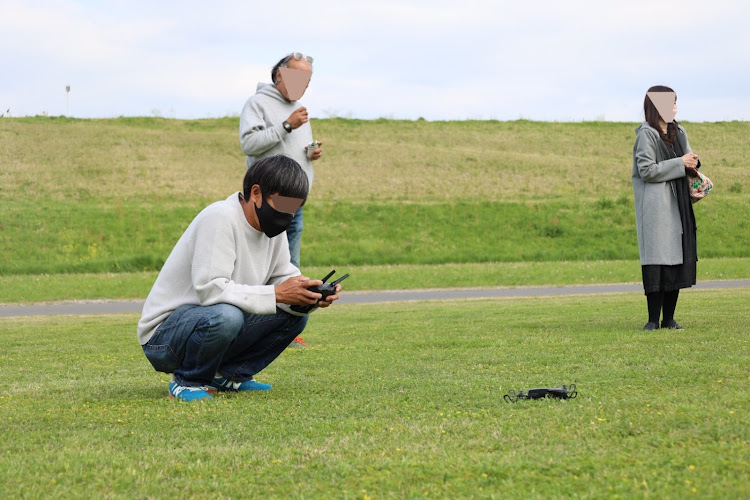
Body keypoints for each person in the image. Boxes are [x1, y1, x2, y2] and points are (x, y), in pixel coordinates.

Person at [137, 155, 341, 401]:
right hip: (163, 339)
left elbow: (284, 277)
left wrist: (309, 295)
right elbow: (210, 290)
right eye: (283, 206)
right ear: (256, 193)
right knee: (227, 315)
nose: (288, 216)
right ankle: (187, 381)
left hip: (212, 324)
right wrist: (277, 294)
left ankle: (229, 376)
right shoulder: (219, 218)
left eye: (294, 209)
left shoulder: (272, 230)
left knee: (294, 315)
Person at [240, 52, 322, 348]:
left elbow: (289, 151)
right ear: (279, 76)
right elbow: (249, 144)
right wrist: (287, 126)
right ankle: (254, 328)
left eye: (308, 80)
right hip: (268, 202)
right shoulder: (258, 104)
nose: (304, 85)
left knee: (290, 265)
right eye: (299, 77)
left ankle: (287, 328)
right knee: (263, 265)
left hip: (294, 202)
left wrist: (309, 153)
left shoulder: (298, 107)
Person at [632, 85, 701, 331]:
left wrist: (694, 164)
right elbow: (647, 170)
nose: (675, 108)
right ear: (657, 106)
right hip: (656, 206)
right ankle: (652, 320)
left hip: (679, 202)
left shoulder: (679, 131)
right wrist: (680, 162)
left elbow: (688, 158)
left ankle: (669, 319)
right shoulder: (646, 134)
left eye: (675, 103)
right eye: (671, 103)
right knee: (658, 260)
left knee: (676, 259)